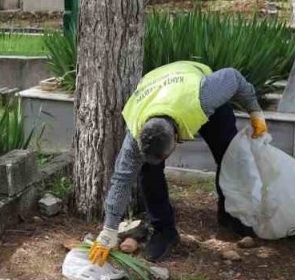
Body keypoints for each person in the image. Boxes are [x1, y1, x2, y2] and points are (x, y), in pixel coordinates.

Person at [88, 61, 268, 265]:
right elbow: (121, 179)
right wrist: (108, 230)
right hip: (155, 93)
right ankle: (164, 231)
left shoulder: (204, 97)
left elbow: (233, 76)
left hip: (191, 89)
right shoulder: (135, 128)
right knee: (148, 172)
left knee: (229, 155)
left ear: (176, 136)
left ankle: (230, 213)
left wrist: (255, 111)